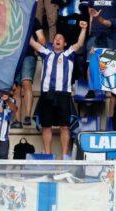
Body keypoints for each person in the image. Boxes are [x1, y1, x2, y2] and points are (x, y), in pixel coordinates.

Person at [28, 20, 88, 156]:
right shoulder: (46, 52)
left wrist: (83, 29)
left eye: (61, 38)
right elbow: (32, 42)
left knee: (65, 126)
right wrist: (26, 24)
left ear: (65, 44)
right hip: (47, 94)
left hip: (63, 94)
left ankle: (64, 156)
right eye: (55, 38)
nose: (58, 39)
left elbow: (79, 44)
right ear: (52, 42)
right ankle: (48, 155)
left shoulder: (69, 54)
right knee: (46, 126)